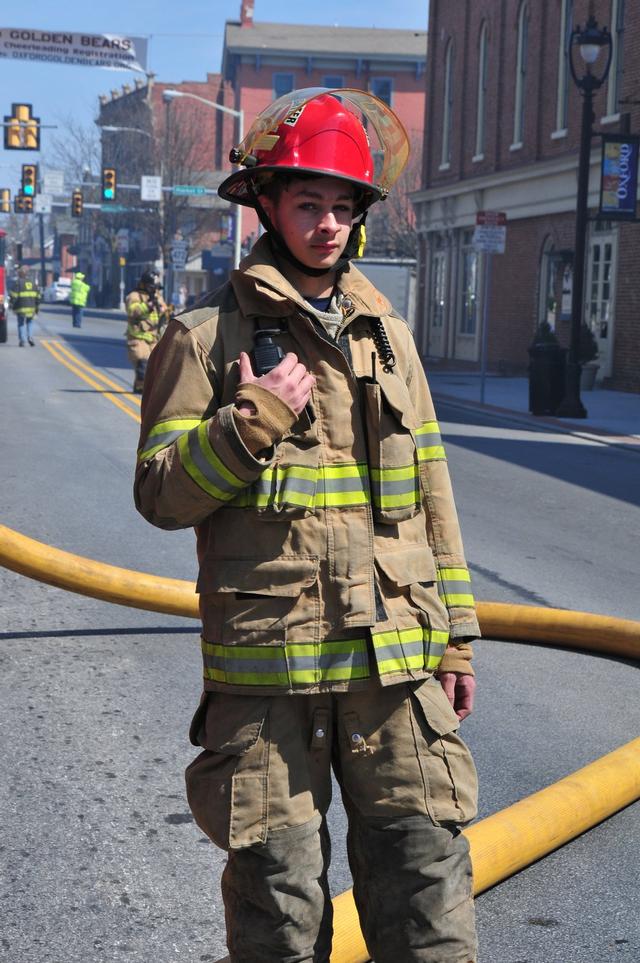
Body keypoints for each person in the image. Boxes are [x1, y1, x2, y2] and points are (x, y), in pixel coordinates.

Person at [134, 88, 480, 963]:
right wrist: (248, 423)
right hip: (269, 680)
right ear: (266, 203)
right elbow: (160, 494)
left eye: (341, 206)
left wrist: (460, 641)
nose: (327, 224)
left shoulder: (389, 336)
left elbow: (433, 495)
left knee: (426, 895)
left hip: (393, 667)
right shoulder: (205, 337)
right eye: (307, 203)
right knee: (279, 915)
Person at [125, 270, 168, 393]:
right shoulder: (134, 296)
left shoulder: (157, 296)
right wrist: (147, 306)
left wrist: (166, 311)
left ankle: (147, 389)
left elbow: (164, 311)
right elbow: (131, 311)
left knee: (156, 366)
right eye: (150, 286)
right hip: (137, 336)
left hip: (154, 337)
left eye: (154, 287)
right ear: (143, 284)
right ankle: (140, 387)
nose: (152, 289)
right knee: (142, 362)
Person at [10, 266, 40, 347]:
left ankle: (22, 340)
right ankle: (30, 337)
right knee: (30, 322)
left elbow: (14, 295)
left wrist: (11, 305)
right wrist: (37, 309)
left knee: (21, 323)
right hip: (31, 308)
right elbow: (38, 297)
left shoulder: (18, 282)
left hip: (21, 307)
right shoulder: (33, 283)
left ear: (20, 274)